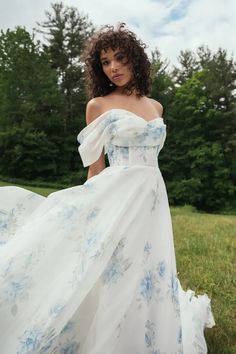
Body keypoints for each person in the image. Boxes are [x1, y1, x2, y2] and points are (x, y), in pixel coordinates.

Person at [0, 24, 215, 353]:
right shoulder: (97, 105)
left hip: (153, 197)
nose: (113, 67)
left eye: (119, 58)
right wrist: (85, 214)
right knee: (119, 271)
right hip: (117, 196)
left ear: (135, 60)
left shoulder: (156, 107)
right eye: (104, 62)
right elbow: (96, 168)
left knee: (148, 270)